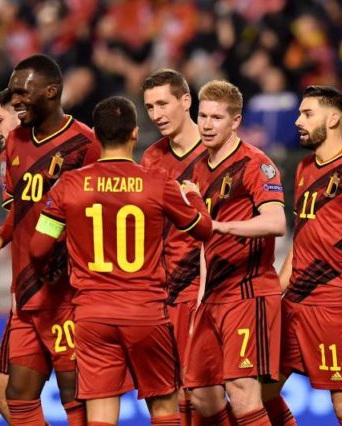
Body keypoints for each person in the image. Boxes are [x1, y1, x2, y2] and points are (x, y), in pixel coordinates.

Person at [29, 95, 213, 425]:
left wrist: (50, 267)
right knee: (164, 408)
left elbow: (39, 247)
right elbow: (202, 230)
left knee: (101, 414)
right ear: (134, 134)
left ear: (96, 135)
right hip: (146, 313)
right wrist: (195, 198)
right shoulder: (158, 182)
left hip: (93, 315)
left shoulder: (69, 185)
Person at [0, 54, 100, 424]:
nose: (15, 100)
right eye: (12, 92)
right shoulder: (14, 142)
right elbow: (22, 207)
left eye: (22, 92)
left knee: (75, 395)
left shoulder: (85, 145)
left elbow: (99, 214)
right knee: (16, 397)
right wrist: (1, 237)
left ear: (51, 91)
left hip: (67, 293)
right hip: (27, 291)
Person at [262, 86, 342, 426]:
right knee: (261, 393)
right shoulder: (304, 167)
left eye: (307, 114)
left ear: (333, 119)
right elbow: (301, 239)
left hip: (336, 304)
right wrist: (275, 293)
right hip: (295, 303)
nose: (298, 121)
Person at [184, 80, 286, 425]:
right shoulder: (199, 168)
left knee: (242, 392)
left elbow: (276, 221)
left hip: (248, 292)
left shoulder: (255, 164)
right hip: (213, 296)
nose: (207, 124)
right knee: (201, 395)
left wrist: (220, 226)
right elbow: (204, 242)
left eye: (217, 117)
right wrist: (199, 297)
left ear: (236, 121)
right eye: (202, 116)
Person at [140, 69, 206, 425]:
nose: (156, 114)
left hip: (208, 287)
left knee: (209, 393)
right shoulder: (151, 158)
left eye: (163, 104)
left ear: (186, 100)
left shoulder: (217, 149)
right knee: (175, 392)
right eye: (150, 107)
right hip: (166, 290)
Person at [0, 88, 20, 422]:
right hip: (26, 289)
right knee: (3, 396)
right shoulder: (7, 158)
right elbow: (21, 216)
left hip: (69, 290)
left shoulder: (76, 144)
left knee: (82, 395)